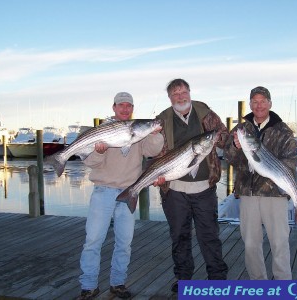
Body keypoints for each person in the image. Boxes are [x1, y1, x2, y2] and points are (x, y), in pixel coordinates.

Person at [78, 92, 163, 299]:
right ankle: (88, 286)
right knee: (93, 241)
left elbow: (153, 150)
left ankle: (118, 283)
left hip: (128, 192)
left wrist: (154, 132)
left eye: (129, 106)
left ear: (132, 108)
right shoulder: (103, 130)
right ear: (114, 107)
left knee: (124, 242)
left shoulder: (138, 130)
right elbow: (89, 162)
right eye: (121, 105)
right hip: (103, 192)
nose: (125, 109)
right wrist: (99, 151)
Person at [155, 78, 229, 292]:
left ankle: (217, 278)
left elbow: (223, 136)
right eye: (175, 94)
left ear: (190, 92)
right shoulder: (163, 119)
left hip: (205, 188)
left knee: (209, 235)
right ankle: (184, 279)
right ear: (170, 98)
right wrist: (160, 175)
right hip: (175, 190)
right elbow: (158, 152)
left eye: (183, 92)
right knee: (179, 236)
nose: (181, 97)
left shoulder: (205, 113)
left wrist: (218, 138)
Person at [223, 86, 297, 280]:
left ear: (270, 103)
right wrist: (235, 147)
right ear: (250, 104)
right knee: (250, 244)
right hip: (248, 195)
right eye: (255, 102)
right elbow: (230, 158)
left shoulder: (283, 130)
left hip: (275, 195)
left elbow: (290, 163)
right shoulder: (241, 129)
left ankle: (283, 286)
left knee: (279, 243)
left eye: (263, 101)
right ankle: (258, 285)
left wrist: (274, 175)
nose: (259, 105)